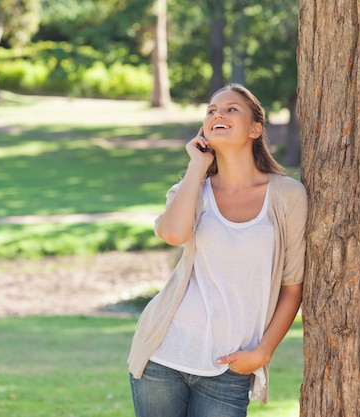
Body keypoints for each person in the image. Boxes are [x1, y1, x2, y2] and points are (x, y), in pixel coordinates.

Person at [128, 83, 307, 417]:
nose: (217, 114)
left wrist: (264, 351)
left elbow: (293, 286)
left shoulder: (287, 196)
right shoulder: (192, 189)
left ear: (256, 129)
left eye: (230, 109)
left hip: (230, 366)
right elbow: (173, 233)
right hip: (163, 355)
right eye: (211, 110)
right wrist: (197, 165)